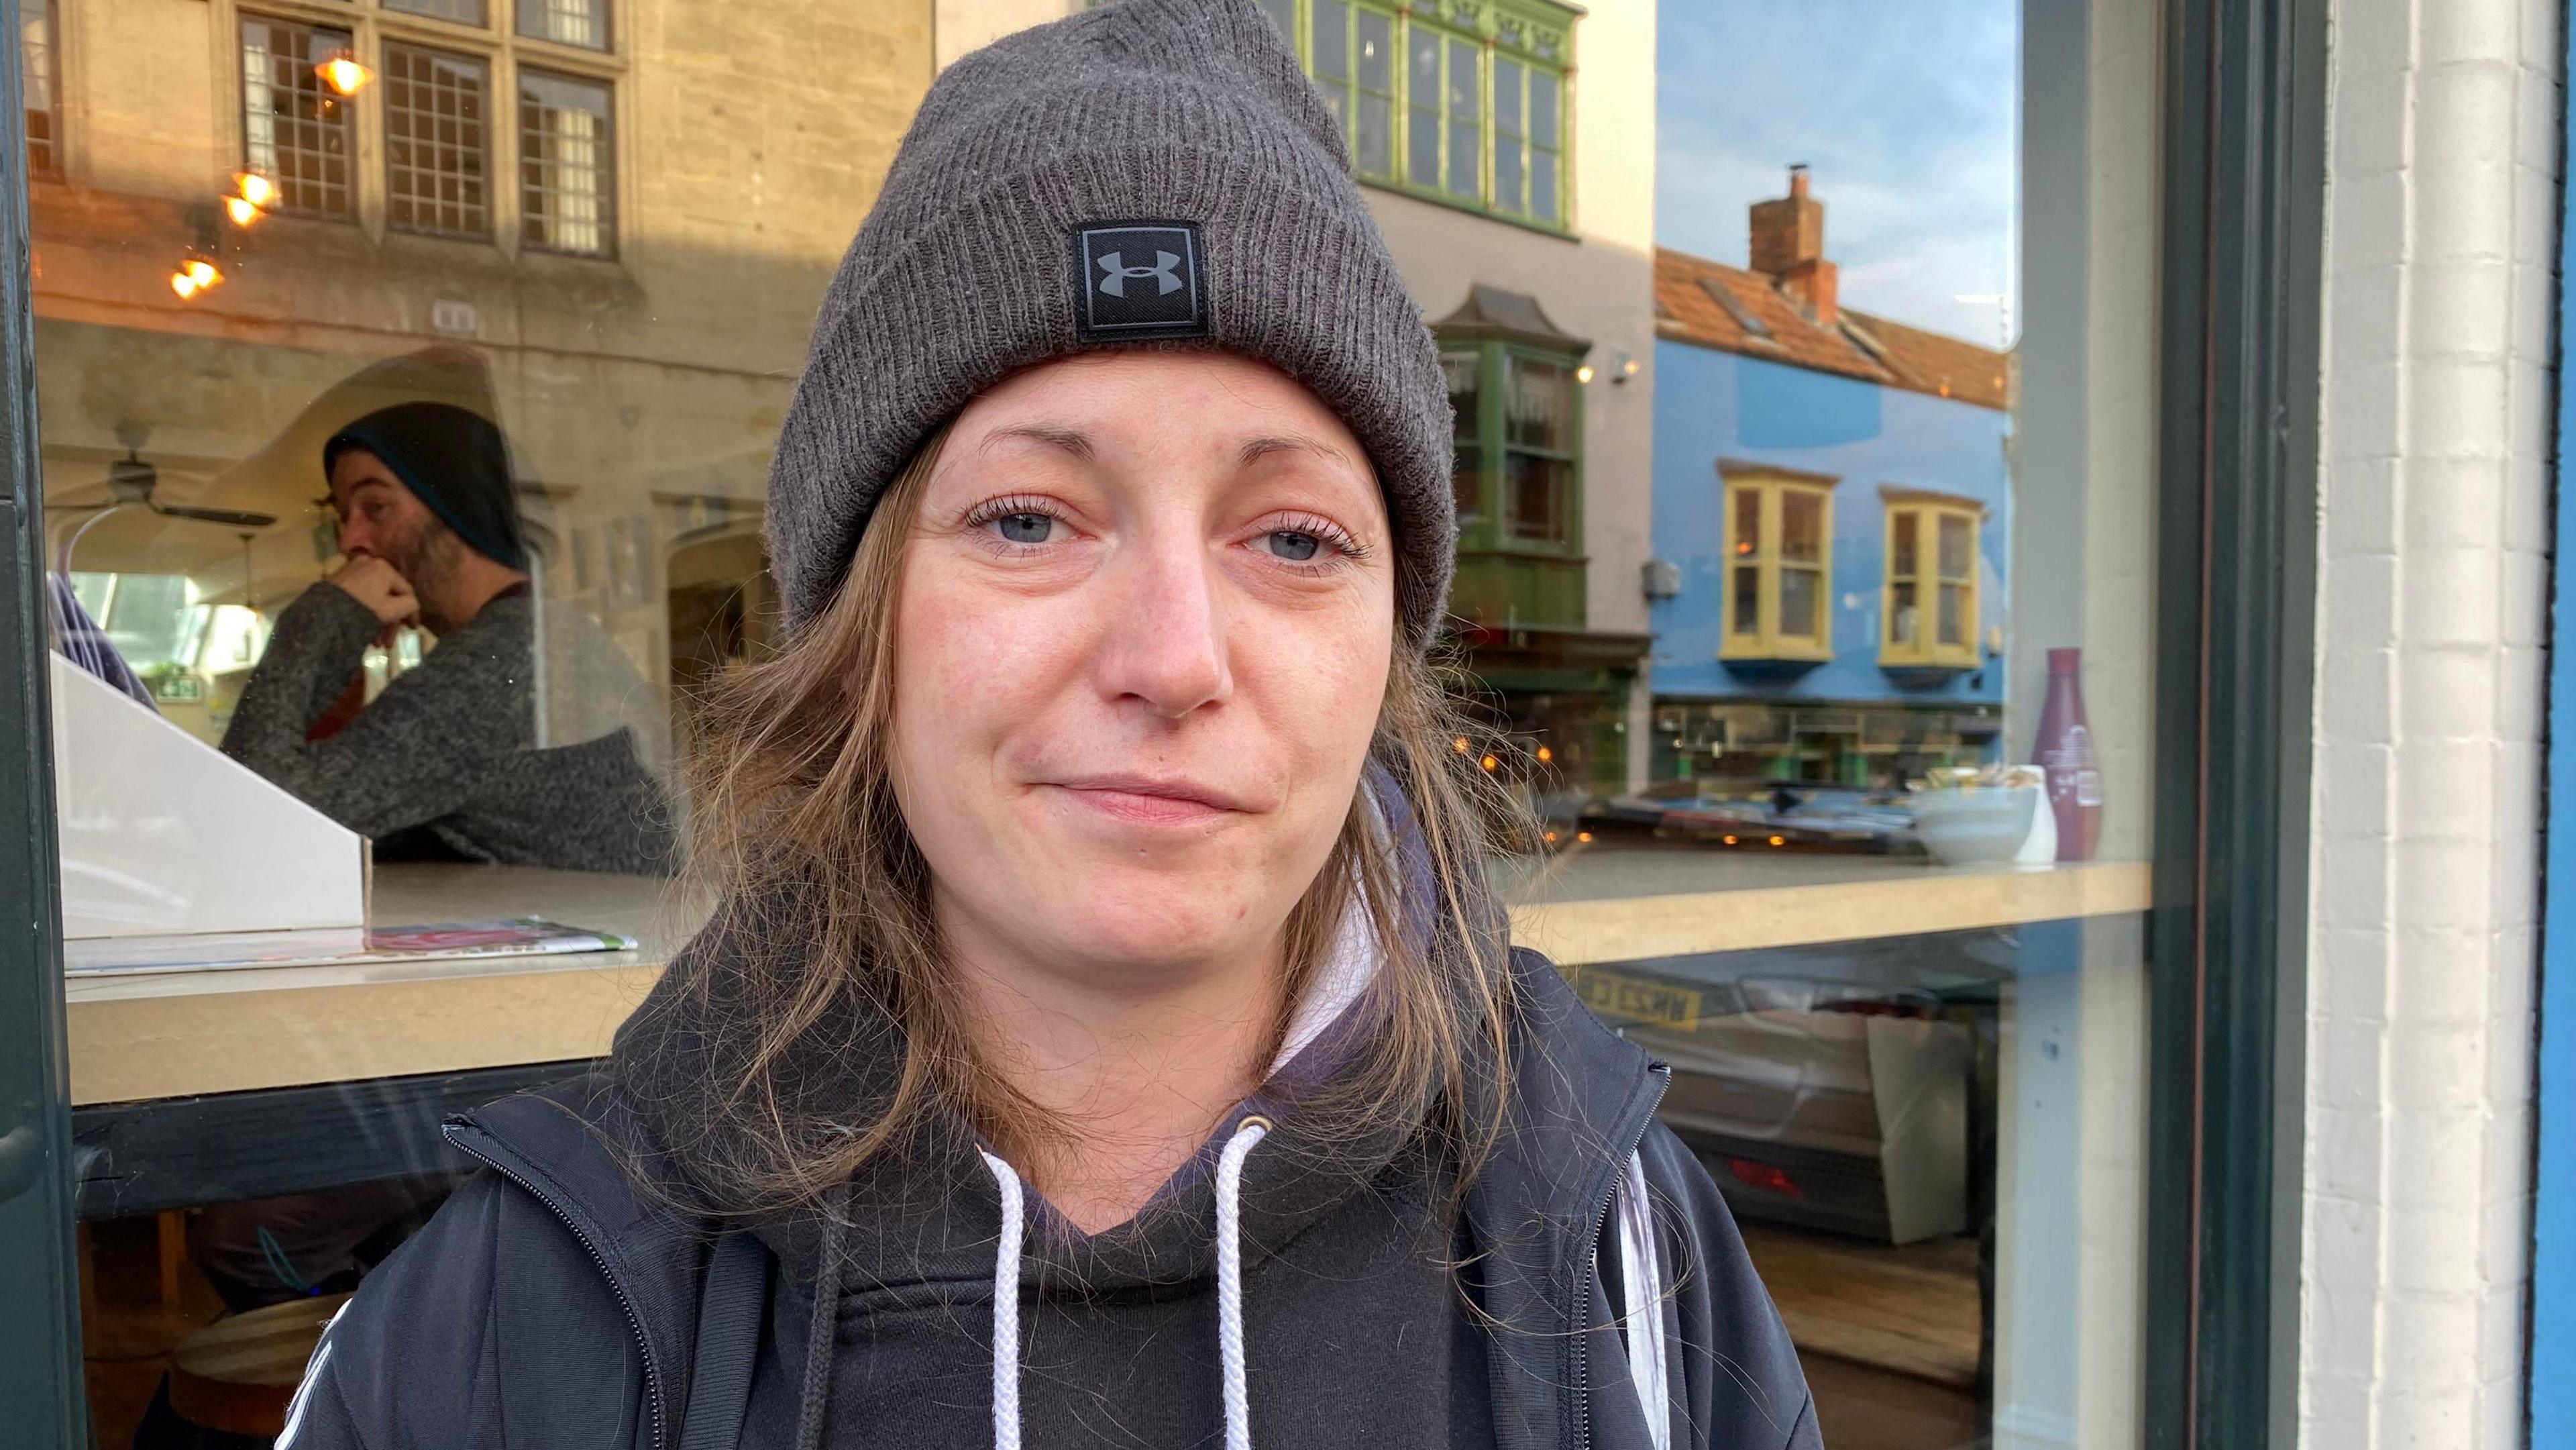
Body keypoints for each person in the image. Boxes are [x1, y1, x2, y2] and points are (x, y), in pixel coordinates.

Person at [272, 3, 1821, 1447]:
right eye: (1028, 517)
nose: (1171, 656)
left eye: (1291, 537)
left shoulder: (1615, 1248)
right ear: (862, 632)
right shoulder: (533, 1307)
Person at [219, 399, 676, 875]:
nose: (349, 541)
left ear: (459, 509)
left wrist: (319, 617)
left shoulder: (500, 661)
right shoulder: (538, 637)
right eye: (343, 515)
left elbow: (251, 825)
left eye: (375, 507)